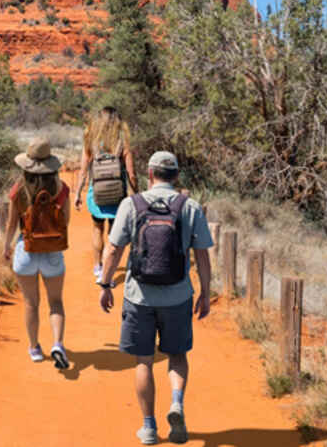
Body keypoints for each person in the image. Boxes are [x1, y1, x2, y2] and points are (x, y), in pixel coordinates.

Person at [97, 151, 211, 445]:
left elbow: (113, 250)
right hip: (178, 296)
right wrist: (206, 293)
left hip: (139, 297)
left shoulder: (131, 204)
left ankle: (148, 427)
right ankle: (177, 403)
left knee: (143, 361)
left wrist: (106, 284)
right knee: (177, 356)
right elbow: (202, 255)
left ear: (149, 174)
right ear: (176, 176)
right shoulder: (190, 207)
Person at [3, 137, 72, 370]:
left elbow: (11, 224)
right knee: (56, 302)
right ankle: (58, 344)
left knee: (31, 303)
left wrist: (6, 247)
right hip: (52, 251)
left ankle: (34, 348)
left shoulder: (19, 190)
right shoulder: (61, 189)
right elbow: (66, 221)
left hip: (26, 249)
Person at [73, 105, 137, 282]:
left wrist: (77, 193)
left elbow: (83, 171)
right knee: (112, 233)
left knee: (97, 229)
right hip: (118, 195)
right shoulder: (122, 143)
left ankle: (97, 268)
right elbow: (131, 173)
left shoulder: (92, 142)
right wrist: (136, 194)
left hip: (97, 194)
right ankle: (108, 268)